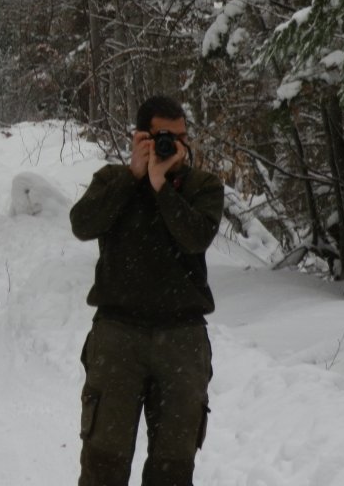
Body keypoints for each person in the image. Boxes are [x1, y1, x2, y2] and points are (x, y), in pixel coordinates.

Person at [70, 95, 225, 486]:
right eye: (162, 137)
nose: (173, 146)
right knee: (103, 461)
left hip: (182, 339)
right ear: (140, 137)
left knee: (173, 468)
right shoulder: (113, 181)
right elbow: (82, 224)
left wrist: (162, 189)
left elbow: (195, 238)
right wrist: (133, 178)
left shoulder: (202, 187)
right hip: (118, 335)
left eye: (181, 137)